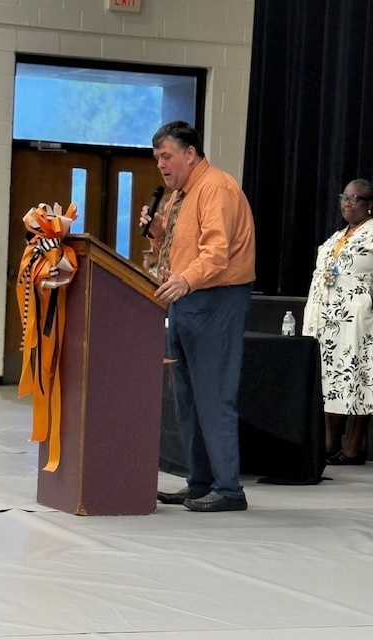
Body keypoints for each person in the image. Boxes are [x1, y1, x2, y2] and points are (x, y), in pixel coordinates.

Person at [139, 121, 256, 512]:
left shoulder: (216, 188)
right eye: (157, 159)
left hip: (215, 300)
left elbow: (216, 252)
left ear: (190, 153)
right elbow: (177, 251)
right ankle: (200, 482)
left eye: (167, 156)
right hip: (185, 299)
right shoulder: (178, 196)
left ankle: (228, 489)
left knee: (213, 396)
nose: (161, 165)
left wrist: (186, 281)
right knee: (187, 398)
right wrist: (156, 232)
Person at [302, 178, 373, 465]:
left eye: (355, 199)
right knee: (332, 379)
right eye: (344, 196)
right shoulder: (337, 235)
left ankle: (354, 447)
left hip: (357, 320)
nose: (347, 202)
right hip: (328, 320)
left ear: (369, 205)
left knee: (357, 378)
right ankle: (331, 442)